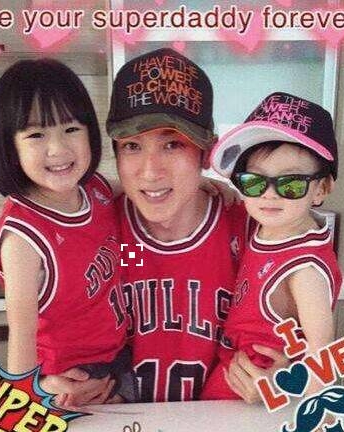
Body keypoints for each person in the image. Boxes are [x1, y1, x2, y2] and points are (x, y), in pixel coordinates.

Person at [105, 48, 286, 403]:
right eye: (132, 146)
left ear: (207, 152)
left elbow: (301, 338)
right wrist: (53, 383)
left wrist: (289, 376)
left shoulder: (252, 231)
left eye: (172, 144)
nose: (150, 171)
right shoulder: (107, 233)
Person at [0, 58, 137, 403]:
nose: (58, 149)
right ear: (10, 147)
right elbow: (21, 339)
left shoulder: (96, 190)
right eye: (36, 135)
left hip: (121, 359)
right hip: (72, 382)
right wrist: (34, 394)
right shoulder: (23, 238)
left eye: (71, 129)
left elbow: (141, 190)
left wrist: (204, 185)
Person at [203, 92, 342, 399]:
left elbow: (324, 357)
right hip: (232, 375)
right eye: (254, 182)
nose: (269, 194)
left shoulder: (304, 268)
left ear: (321, 188)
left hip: (251, 392)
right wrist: (201, 183)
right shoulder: (272, 230)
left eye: (290, 183)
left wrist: (280, 389)